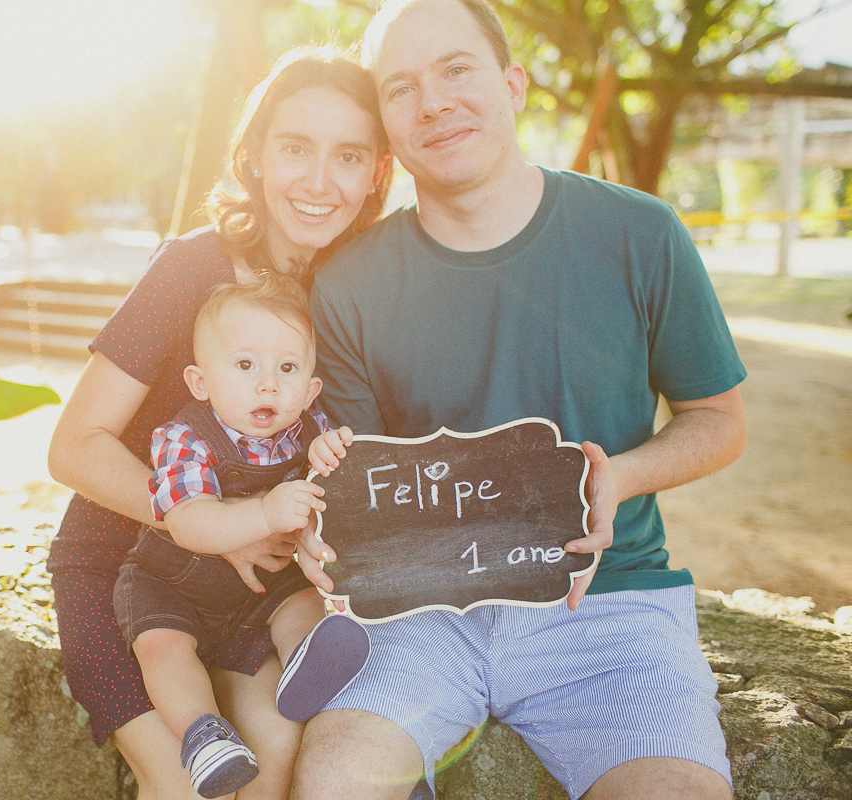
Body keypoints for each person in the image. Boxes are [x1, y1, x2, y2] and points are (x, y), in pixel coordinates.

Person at [289, 2, 748, 800]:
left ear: (513, 83)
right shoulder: (348, 283)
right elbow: (357, 481)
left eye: (456, 70)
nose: (433, 103)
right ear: (389, 127)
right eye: (401, 88)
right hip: (416, 616)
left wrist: (621, 478)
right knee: (332, 782)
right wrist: (325, 533)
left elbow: (718, 421)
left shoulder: (642, 234)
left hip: (606, 606)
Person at [46, 44, 392, 800]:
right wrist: (209, 521)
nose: (318, 180)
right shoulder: (190, 269)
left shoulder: (360, 288)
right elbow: (72, 447)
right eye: (296, 147)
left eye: (348, 155)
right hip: (125, 572)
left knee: (271, 749)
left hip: (254, 594)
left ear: (376, 173)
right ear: (257, 155)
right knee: (184, 784)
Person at [113, 276, 367, 799]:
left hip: (258, 592)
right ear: (200, 382)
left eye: (288, 369)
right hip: (172, 583)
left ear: (311, 389)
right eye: (246, 365)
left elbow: (336, 498)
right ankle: (204, 735)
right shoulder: (183, 438)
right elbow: (189, 522)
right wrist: (267, 511)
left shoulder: (309, 430)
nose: (268, 384)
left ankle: (310, 664)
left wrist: (333, 458)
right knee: (162, 648)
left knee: (302, 601)